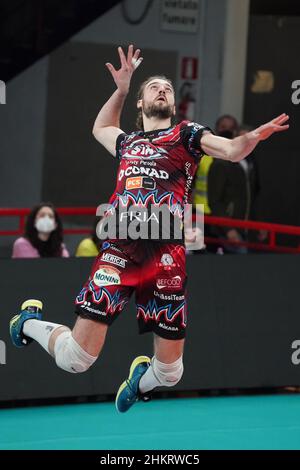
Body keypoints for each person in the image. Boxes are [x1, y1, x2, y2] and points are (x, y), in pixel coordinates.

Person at [9, 45, 289, 413]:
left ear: (173, 106)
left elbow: (231, 149)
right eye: (153, 87)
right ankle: (29, 323)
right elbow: (101, 127)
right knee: (76, 360)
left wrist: (246, 141)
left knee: (171, 373)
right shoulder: (127, 143)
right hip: (120, 253)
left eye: (168, 89)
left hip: (166, 260)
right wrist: (122, 89)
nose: (162, 90)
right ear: (140, 104)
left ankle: (141, 381)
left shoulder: (187, 136)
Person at [208, 119, 262, 253]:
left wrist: (258, 224)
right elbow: (215, 201)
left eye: (251, 138)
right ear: (235, 138)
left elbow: (251, 197)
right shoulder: (222, 163)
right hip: (226, 229)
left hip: (244, 228)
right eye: (243, 137)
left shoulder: (250, 163)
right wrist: (229, 229)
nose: (247, 142)